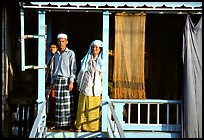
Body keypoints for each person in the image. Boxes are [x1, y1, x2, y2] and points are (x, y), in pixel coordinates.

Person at [74, 40, 104, 132]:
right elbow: (81, 72)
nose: (94, 49)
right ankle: (80, 126)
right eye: (93, 47)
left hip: (96, 88)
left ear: (100, 49)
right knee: (82, 107)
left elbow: (103, 76)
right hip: (86, 85)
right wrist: (78, 83)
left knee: (93, 109)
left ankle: (92, 128)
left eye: (96, 47)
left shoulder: (102, 61)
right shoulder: (86, 59)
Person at [50, 33, 77, 130]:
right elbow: (53, 70)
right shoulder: (56, 55)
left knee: (67, 103)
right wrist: (52, 82)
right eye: (60, 41)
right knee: (58, 103)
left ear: (66, 42)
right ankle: (59, 124)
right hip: (57, 80)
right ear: (57, 42)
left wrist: (71, 81)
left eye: (63, 41)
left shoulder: (70, 53)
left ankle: (69, 124)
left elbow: (73, 68)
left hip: (66, 80)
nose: (61, 44)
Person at [45, 41, 58, 129]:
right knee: (50, 102)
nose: (52, 48)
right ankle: (51, 121)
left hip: (55, 83)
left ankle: (54, 122)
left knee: (54, 102)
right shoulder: (51, 58)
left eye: (54, 47)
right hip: (50, 82)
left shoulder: (57, 58)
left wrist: (52, 84)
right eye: (51, 47)